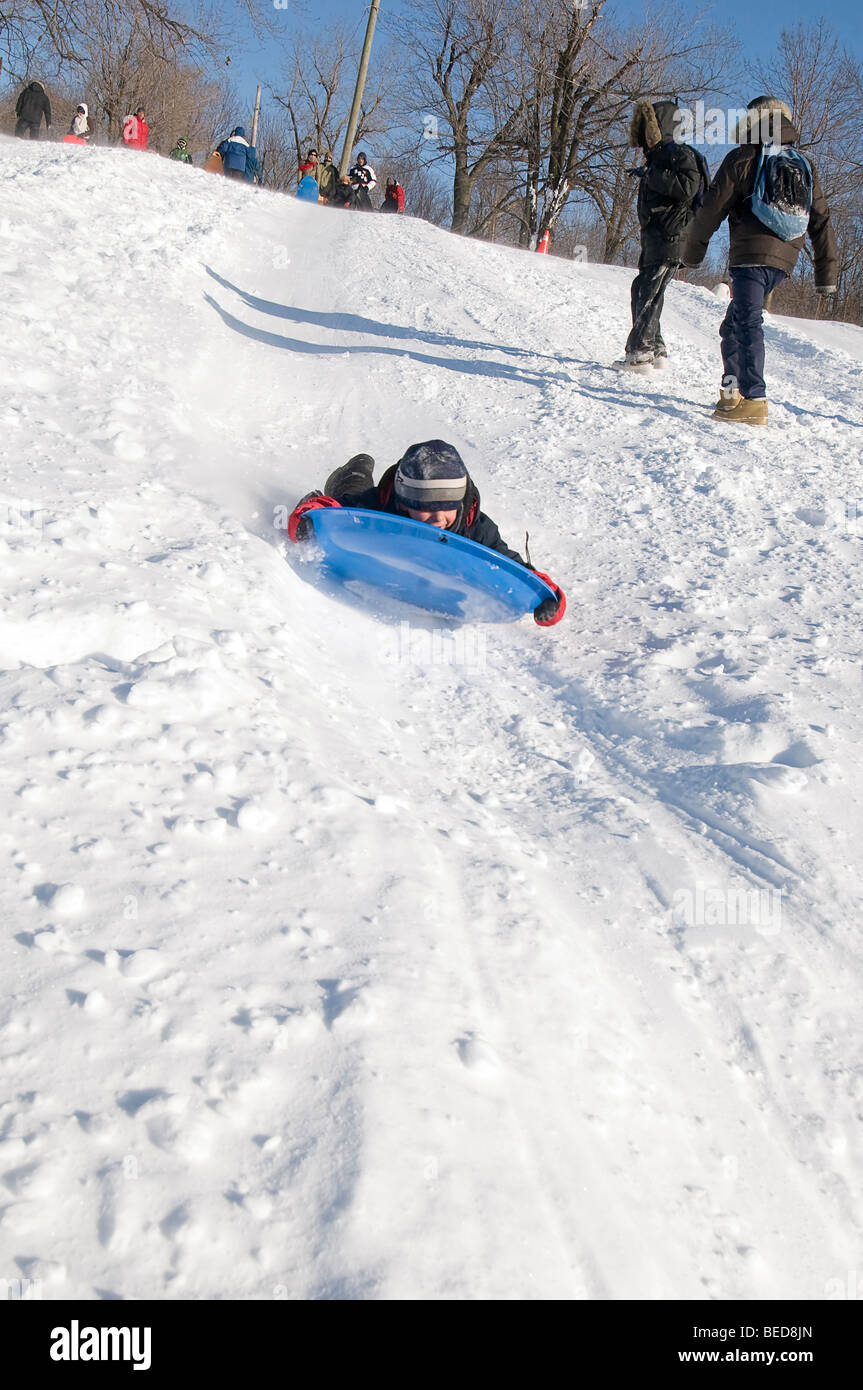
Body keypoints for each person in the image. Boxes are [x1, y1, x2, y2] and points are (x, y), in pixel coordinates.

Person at [286, 440, 565, 627]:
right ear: (405, 503)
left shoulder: (476, 527)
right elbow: (327, 510)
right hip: (365, 501)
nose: (439, 518)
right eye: (427, 508)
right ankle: (357, 467)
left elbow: (517, 569)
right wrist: (306, 523)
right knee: (352, 489)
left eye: (447, 508)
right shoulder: (380, 506)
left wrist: (547, 599)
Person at [682, 95, 837, 425]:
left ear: (753, 121)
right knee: (732, 326)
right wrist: (826, 273)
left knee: (748, 321)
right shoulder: (804, 163)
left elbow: (711, 209)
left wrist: (692, 254)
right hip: (784, 261)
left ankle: (754, 398)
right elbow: (821, 219)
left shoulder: (743, 158)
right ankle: (730, 393)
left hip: (750, 256)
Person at [612, 100, 709, 373]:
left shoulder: (677, 153)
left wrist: (652, 174)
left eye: (648, 127)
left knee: (647, 291)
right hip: (659, 236)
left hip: (670, 236)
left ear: (660, 127)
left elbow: (688, 187)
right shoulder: (661, 157)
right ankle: (655, 349)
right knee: (646, 290)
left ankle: (640, 353)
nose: (643, 135)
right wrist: (649, 172)